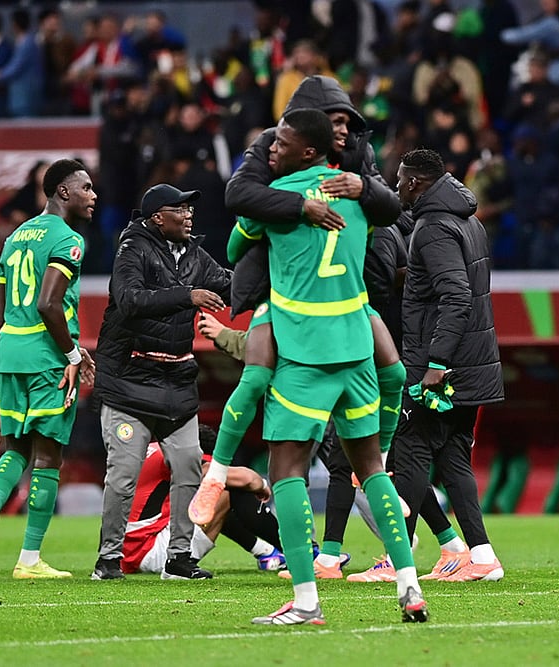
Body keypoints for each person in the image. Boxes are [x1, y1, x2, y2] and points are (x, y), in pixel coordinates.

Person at [189, 75, 407, 579]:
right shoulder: (272, 145)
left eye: (349, 124)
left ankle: (323, 569)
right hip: (282, 289)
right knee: (258, 374)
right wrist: (300, 208)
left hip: (347, 297)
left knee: (391, 376)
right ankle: (217, 474)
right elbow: (238, 195)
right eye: (335, 121)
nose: (344, 132)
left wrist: (364, 186)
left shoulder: (356, 153)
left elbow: (390, 206)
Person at [226, 108, 427, 625]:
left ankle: (307, 601)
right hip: (358, 347)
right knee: (372, 469)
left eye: (283, 140)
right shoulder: (356, 192)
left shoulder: (277, 199)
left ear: (309, 150)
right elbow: (388, 211)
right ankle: (409, 585)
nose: (274, 146)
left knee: (287, 471)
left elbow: (234, 246)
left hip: (306, 352)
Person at [90, 183, 232, 582]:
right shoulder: (132, 248)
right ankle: (109, 559)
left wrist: (280, 286)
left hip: (176, 384)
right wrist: (189, 296)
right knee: (123, 474)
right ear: (157, 218)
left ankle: (179, 557)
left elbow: (229, 284)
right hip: (128, 382)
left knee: (190, 468)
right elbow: (129, 298)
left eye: (191, 208)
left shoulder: (193, 255)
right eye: (181, 209)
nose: (189, 215)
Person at [0, 158, 97, 578]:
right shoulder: (68, 240)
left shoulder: (14, 238)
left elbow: (6, 308)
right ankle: (29, 559)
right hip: (46, 357)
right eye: (86, 188)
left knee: (14, 446)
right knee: (48, 454)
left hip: (10, 350)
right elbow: (48, 303)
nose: (93, 196)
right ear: (63, 191)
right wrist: (73, 354)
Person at [390, 148, 505, 582]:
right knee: (454, 458)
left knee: (411, 452)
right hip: (472, 361)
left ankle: (395, 561)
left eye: (400, 180)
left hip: (440, 367)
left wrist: (435, 363)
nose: (397, 186)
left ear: (417, 183)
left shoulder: (434, 227)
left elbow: (455, 297)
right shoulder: (468, 220)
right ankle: (480, 555)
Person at [122, 424, 284, 576]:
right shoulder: (182, 456)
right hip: (151, 554)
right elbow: (249, 479)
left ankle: (267, 553)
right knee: (220, 490)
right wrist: (262, 485)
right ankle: (293, 550)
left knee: (204, 499)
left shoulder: (154, 448)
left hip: (123, 553)